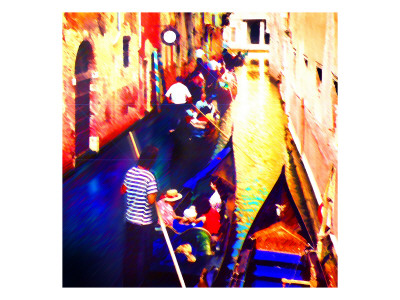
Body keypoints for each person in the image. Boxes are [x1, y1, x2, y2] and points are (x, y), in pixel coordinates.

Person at [120, 145, 159, 287]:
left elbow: (122, 190)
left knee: (129, 254)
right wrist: (155, 191)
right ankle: (143, 283)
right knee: (145, 255)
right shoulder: (150, 177)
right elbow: (151, 200)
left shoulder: (130, 172)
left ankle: (127, 283)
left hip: (129, 220)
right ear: (152, 161)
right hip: (144, 224)